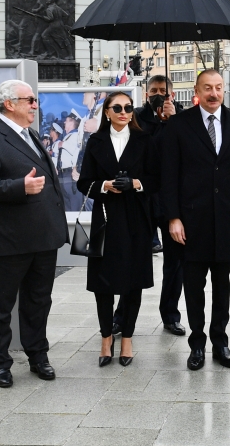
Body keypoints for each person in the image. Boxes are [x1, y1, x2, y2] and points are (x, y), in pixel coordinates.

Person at [0, 79, 68, 388]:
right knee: (0, 306)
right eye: (30, 100)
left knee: (38, 301)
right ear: (10, 104)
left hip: (41, 238)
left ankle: (38, 355)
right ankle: (1, 364)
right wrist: (19, 187)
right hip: (7, 240)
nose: (36, 105)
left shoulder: (32, 136)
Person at [160, 69, 230, 371]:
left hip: (228, 220)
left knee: (222, 283)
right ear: (197, 91)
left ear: (224, 89)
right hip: (191, 222)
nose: (214, 93)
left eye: (218, 88)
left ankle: (220, 342)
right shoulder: (178, 125)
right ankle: (197, 344)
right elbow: (169, 176)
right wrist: (173, 218)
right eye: (207, 88)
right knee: (193, 285)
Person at [77, 92, 158, 367]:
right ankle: (105, 339)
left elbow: (157, 178)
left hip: (136, 220)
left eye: (128, 107)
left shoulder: (145, 140)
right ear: (107, 112)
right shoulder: (96, 141)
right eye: (118, 108)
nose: (124, 112)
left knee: (133, 283)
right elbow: (83, 181)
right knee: (104, 284)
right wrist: (104, 185)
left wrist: (135, 183)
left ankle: (127, 340)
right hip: (106, 218)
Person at [113, 75, 186, 337]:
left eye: (163, 91)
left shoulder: (182, 118)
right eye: (153, 90)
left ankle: (170, 314)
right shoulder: (136, 117)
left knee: (175, 262)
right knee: (134, 258)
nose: (158, 94)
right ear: (146, 93)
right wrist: (158, 123)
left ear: (172, 94)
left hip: (171, 200)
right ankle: (121, 316)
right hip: (142, 197)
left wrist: (172, 120)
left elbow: (184, 151)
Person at [57, 112, 83, 211]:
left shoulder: (77, 135)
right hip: (64, 175)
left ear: (72, 122)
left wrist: (64, 144)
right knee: (67, 205)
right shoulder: (68, 136)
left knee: (75, 205)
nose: (64, 122)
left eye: (67, 120)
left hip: (71, 175)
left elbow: (78, 152)